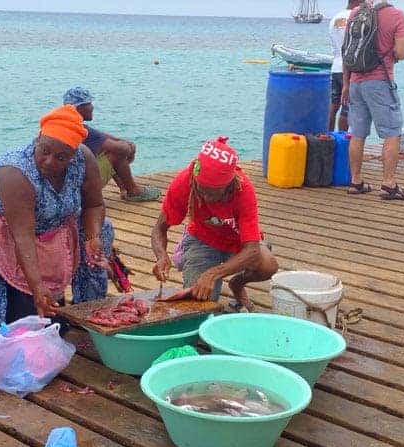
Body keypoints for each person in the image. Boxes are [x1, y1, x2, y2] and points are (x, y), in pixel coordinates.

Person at [0, 104, 112, 347]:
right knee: (13, 328)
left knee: (104, 229)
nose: (49, 161)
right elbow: (22, 237)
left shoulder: (84, 158)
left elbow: (94, 205)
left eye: (61, 157)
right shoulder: (16, 174)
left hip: (49, 226)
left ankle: (87, 311)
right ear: (37, 138)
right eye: (44, 151)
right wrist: (37, 288)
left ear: (74, 154)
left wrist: (92, 238)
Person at [151, 136, 278, 311]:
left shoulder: (244, 189)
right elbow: (160, 227)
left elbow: (252, 249)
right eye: (202, 191)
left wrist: (213, 273)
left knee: (268, 265)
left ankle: (237, 283)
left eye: (214, 193)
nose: (207, 198)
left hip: (237, 242)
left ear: (230, 184)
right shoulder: (183, 182)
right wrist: (161, 255)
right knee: (199, 303)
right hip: (202, 239)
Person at [342, 1, 404, 200]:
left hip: (355, 81)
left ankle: (356, 181)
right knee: (392, 133)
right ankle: (389, 184)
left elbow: (347, 50)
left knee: (357, 133)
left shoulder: (356, 12)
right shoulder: (396, 15)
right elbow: (401, 52)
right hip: (380, 81)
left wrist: (346, 83)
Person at [63, 86, 161, 202]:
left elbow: (104, 138)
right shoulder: (80, 129)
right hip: (79, 190)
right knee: (116, 152)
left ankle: (124, 188)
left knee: (107, 149)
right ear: (79, 108)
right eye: (89, 103)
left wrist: (125, 143)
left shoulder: (64, 125)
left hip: (67, 188)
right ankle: (133, 191)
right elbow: (122, 149)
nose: (92, 107)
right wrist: (130, 149)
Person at [328, 0, 359, 132]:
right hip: (349, 68)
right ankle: (342, 139)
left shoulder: (335, 18)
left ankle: (327, 137)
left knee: (333, 105)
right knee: (346, 108)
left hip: (335, 66)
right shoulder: (356, 17)